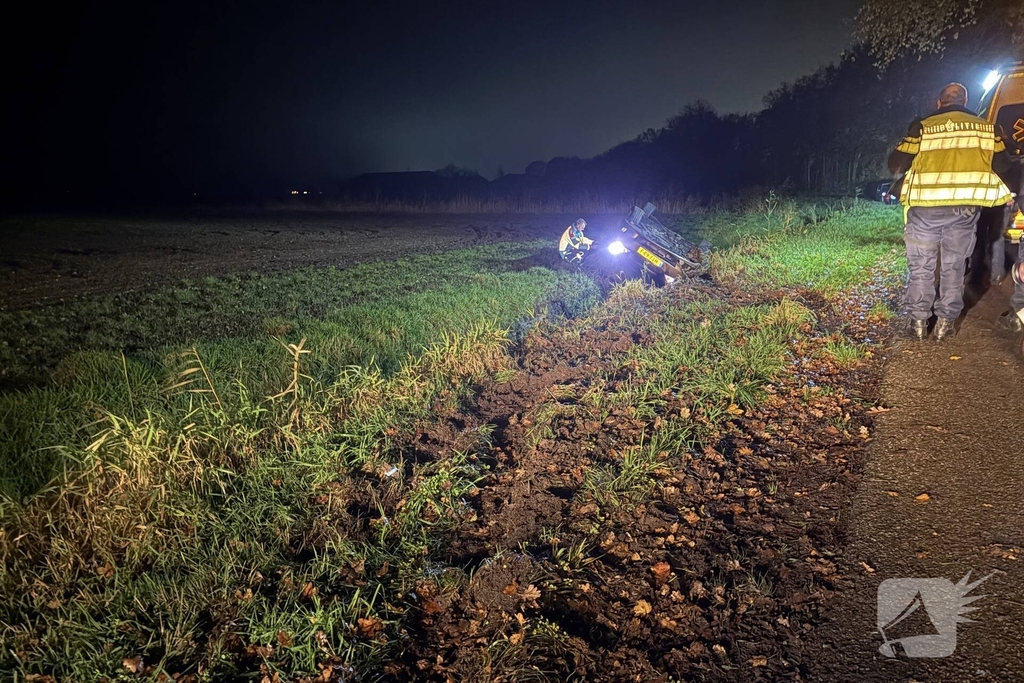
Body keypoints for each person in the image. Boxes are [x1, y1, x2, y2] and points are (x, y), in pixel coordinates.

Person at [888, 83, 1016, 341]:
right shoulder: (986, 128)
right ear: (966, 101)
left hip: (924, 207)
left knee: (921, 266)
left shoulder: (923, 126)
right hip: (964, 209)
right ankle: (946, 323)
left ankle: (918, 322)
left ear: (939, 102)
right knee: (954, 265)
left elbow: (897, 163)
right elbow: (1002, 165)